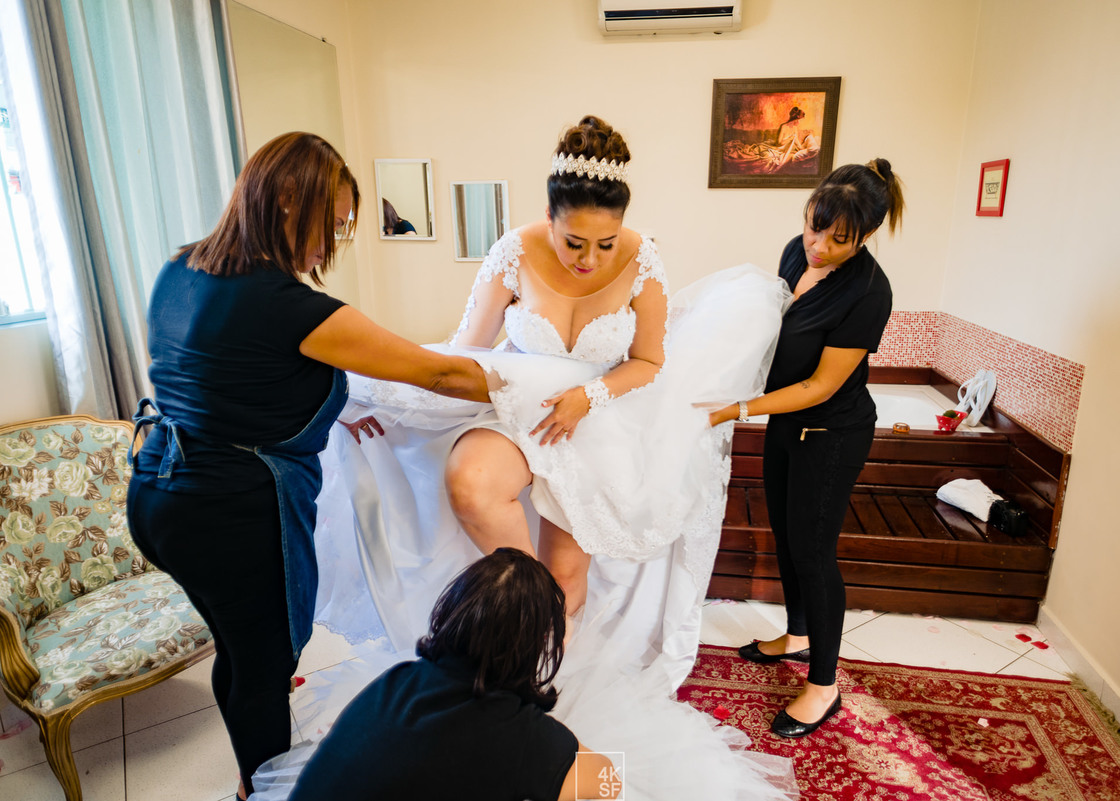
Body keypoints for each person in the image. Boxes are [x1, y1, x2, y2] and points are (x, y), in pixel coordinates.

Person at [317, 115, 790, 686]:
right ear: (549, 217)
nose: (589, 259)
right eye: (573, 242)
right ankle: (524, 613)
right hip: (519, 414)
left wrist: (589, 396)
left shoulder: (643, 260)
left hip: (598, 416)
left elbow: (648, 362)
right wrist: (386, 400)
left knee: (568, 572)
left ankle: (544, 677)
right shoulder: (513, 250)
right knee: (471, 484)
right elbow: (466, 347)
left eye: (605, 244)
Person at [127, 131, 490, 799]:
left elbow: (225, 374)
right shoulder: (293, 307)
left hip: (156, 489)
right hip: (224, 507)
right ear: (289, 199)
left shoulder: (181, 267)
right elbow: (436, 369)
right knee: (265, 663)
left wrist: (342, 409)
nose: (338, 239)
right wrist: (527, 388)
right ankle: (263, 789)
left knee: (238, 648)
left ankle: (248, 776)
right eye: (336, 219)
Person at [709, 158, 903, 738]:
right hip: (786, 425)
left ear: (865, 236)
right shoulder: (797, 251)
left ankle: (824, 686)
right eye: (814, 226)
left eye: (837, 239)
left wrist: (736, 410)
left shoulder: (870, 292)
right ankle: (797, 636)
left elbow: (820, 385)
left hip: (832, 434)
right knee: (788, 537)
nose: (817, 246)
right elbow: (771, 331)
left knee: (815, 552)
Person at [266, 548, 618, 801]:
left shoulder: (399, 679)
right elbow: (608, 784)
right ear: (540, 642)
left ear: (452, 610)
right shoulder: (522, 733)